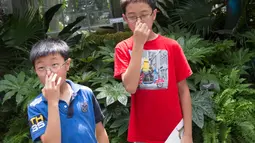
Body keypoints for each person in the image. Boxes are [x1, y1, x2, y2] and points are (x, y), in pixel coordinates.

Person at [114, 0, 193, 142]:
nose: (139, 22)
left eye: (144, 15)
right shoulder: (123, 48)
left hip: (175, 129)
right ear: (125, 18)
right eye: (132, 17)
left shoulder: (172, 46)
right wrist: (138, 45)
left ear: (154, 14)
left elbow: (183, 90)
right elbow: (131, 87)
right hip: (142, 133)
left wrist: (188, 134)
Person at [27, 38, 109, 143]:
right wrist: (52, 102)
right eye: (41, 67)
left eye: (54, 65)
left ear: (67, 65)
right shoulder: (35, 107)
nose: (48, 73)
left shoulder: (85, 92)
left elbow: (100, 132)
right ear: (35, 71)